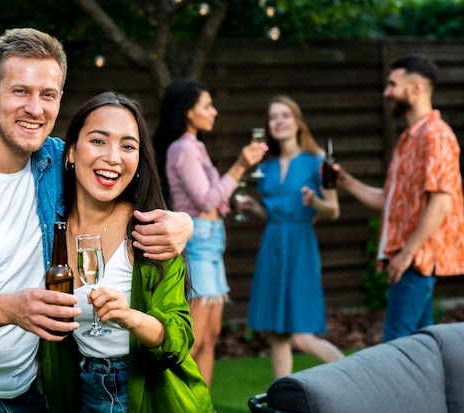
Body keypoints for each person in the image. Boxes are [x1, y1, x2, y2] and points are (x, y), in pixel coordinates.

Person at [0, 28, 194, 413]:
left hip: (35, 398)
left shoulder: (59, 163)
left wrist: (184, 223)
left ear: (59, 100)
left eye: (47, 95)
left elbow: (125, 180)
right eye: (20, 91)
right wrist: (12, 308)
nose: (35, 108)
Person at [41, 91, 215, 413]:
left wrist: (129, 317)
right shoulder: (48, 228)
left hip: (153, 399)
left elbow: (178, 339)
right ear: (71, 153)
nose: (113, 157)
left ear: (138, 162)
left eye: (127, 146)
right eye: (98, 141)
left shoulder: (152, 232)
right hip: (81, 394)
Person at [334, 55, 464, 343]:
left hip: (415, 262)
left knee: (396, 348)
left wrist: (406, 254)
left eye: (392, 84)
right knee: (421, 349)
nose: (386, 92)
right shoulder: (409, 139)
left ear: (416, 88)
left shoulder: (435, 137)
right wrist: (345, 181)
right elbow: (389, 201)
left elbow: (442, 203)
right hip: (408, 260)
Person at [153, 79, 267, 389]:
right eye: (207, 105)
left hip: (213, 242)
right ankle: (177, 402)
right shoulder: (183, 148)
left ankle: (203, 405)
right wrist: (241, 165)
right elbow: (204, 201)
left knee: (212, 336)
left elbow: (212, 197)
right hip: (199, 243)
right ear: (189, 112)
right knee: (195, 336)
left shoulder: (197, 146)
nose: (213, 112)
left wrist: (231, 201)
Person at [237, 95, 344, 379]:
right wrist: (254, 207)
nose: (279, 121)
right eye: (273, 117)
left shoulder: (317, 162)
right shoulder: (267, 167)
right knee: (278, 334)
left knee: (301, 336)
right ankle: (281, 400)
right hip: (271, 244)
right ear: (268, 126)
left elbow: (333, 210)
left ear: (297, 122)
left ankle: (355, 378)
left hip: (300, 248)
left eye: (285, 115)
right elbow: (276, 213)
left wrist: (313, 202)